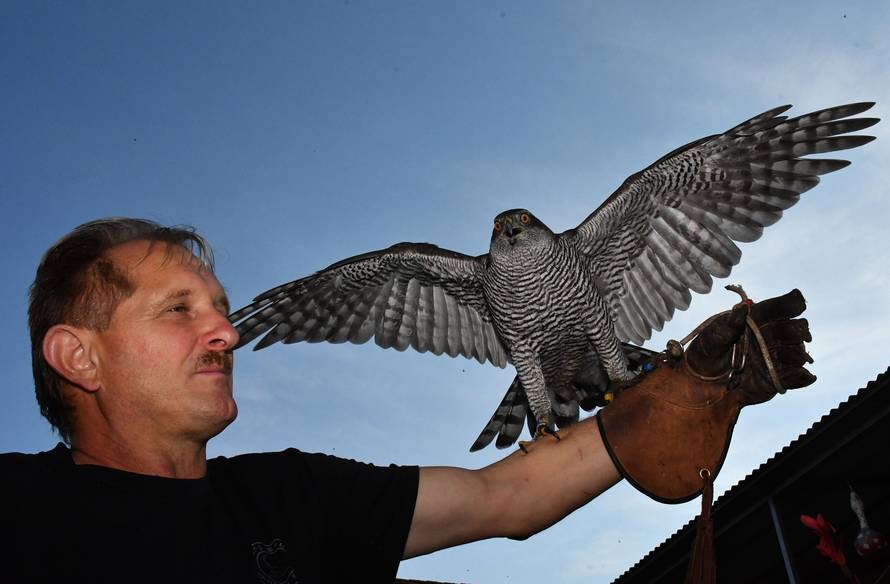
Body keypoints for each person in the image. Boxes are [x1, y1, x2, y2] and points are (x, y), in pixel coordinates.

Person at [2, 218, 815, 583]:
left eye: (221, 307)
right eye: (180, 310)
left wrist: (682, 394)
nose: (225, 333)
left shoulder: (290, 500)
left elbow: (507, 494)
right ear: (79, 356)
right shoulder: (21, 513)